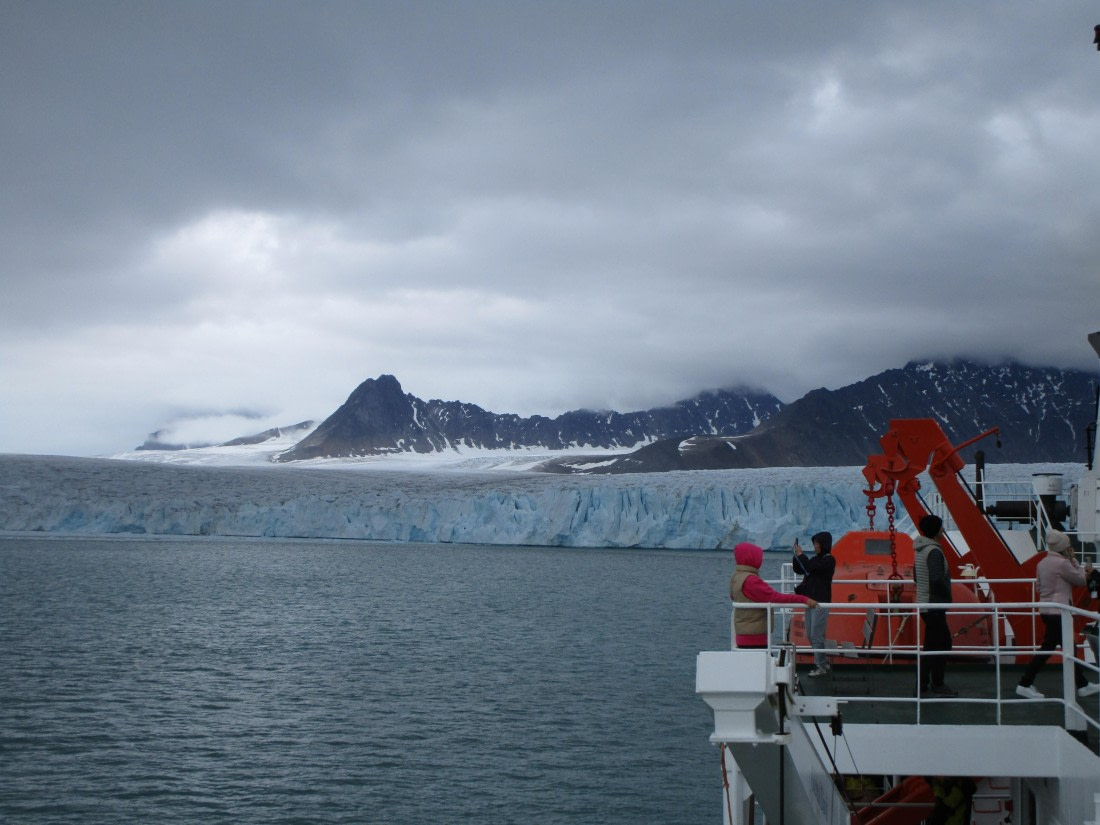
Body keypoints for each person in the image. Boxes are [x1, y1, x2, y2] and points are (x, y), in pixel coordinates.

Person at [1016, 529, 1099, 699]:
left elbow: (1039, 587)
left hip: (1046, 610)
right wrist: (1074, 560)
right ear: (1064, 547)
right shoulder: (1063, 563)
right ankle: (1025, 683)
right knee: (1056, 647)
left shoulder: (1043, 563)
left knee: (1057, 646)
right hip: (1059, 611)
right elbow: (1081, 580)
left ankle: (1082, 684)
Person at [730, 541, 817, 649]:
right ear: (751, 558)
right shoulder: (751, 581)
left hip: (743, 634)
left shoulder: (736, 576)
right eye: (758, 557)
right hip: (754, 636)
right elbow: (775, 598)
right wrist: (803, 599)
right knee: (763, 663)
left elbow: (733, 596)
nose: (760, 560)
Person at [914, 515, 956, 696]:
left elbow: (917, 577)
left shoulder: (920, 550)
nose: (943, 530)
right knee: (943, 643)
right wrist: (947, 594)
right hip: (934, 604)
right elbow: (937, 578)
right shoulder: (934, 551)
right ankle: (937, 684)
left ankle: (922, 684)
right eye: (941, 527)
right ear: (936, 530)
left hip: (925, 603)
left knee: (931, 645)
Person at [793, 531, 836, 676]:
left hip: (820, 602)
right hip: (811, 601)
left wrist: (801, 556)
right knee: (812, 635)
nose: (815, 546)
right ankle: (823, 662)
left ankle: (821, 666)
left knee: (816, 635)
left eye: (817, 543)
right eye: (814, 543)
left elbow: (810, 567)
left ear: (824, 544)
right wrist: (796, 556)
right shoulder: (817, 559)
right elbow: (801, 568)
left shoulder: (828, 561)